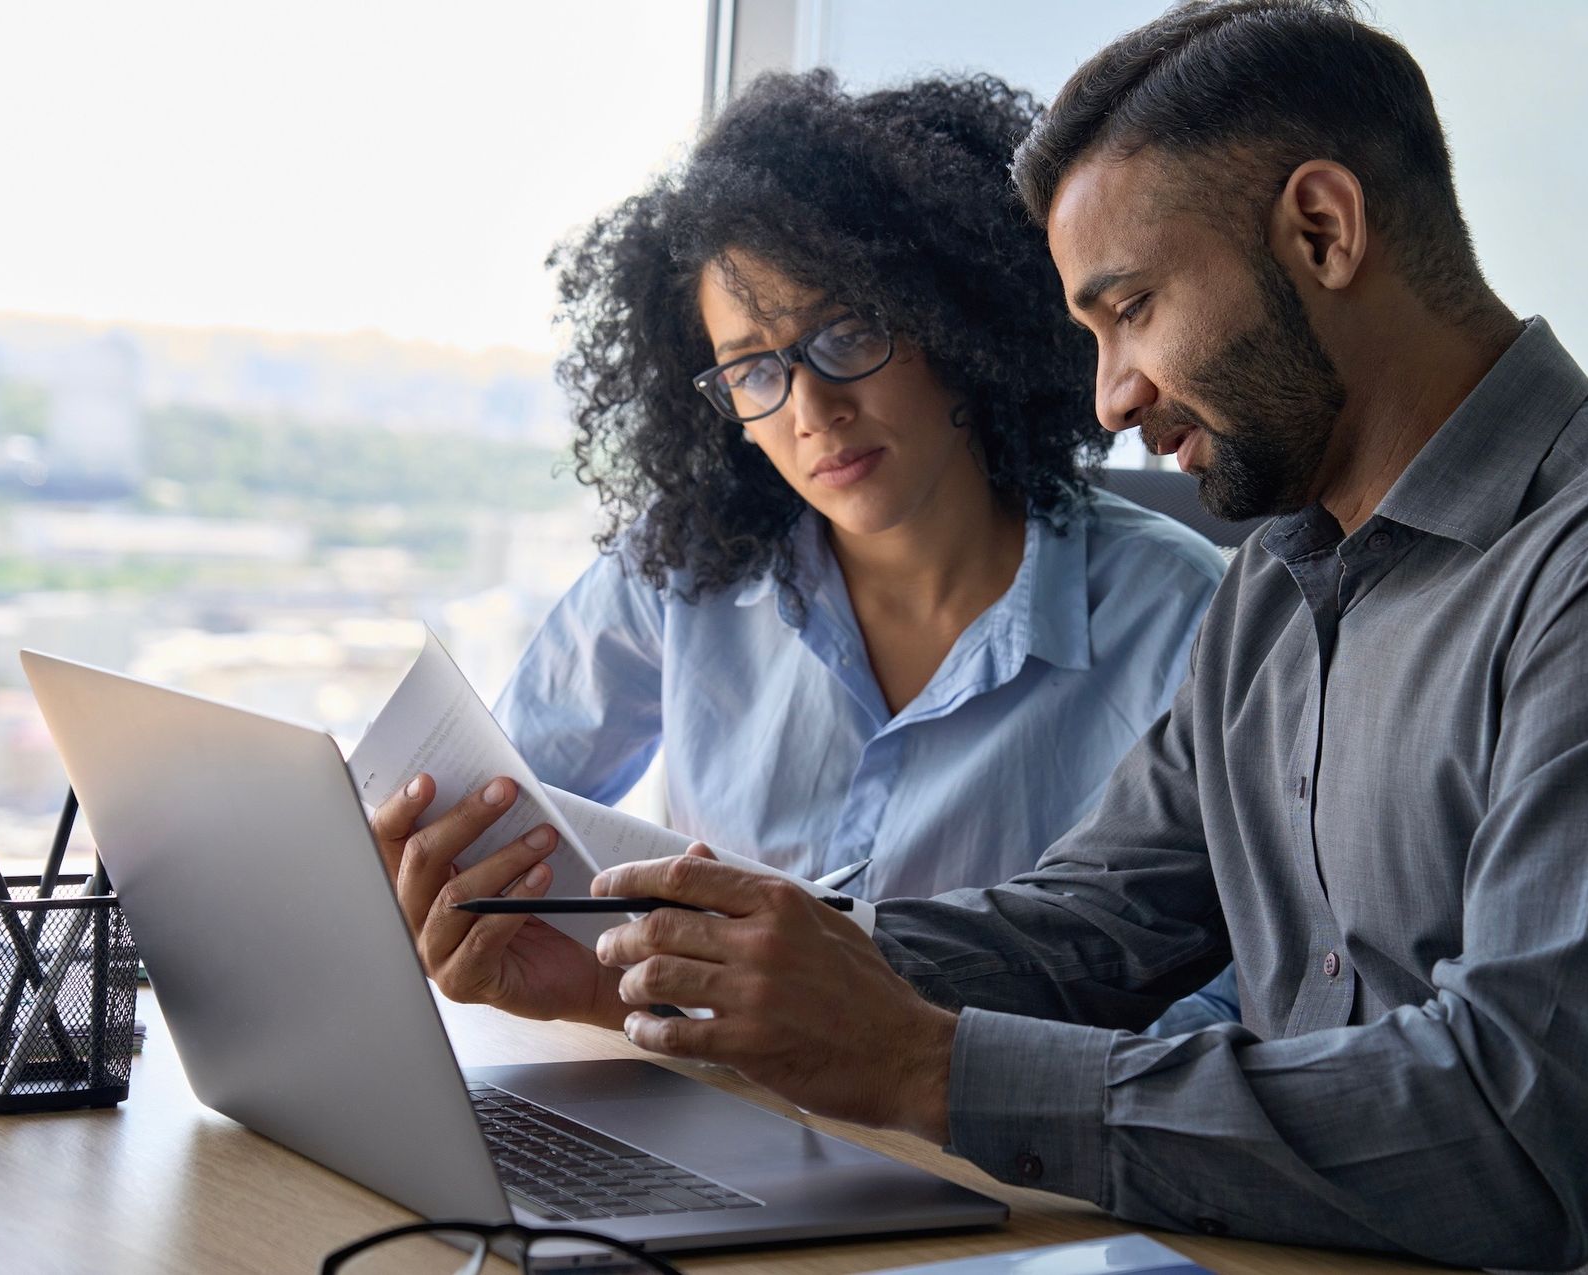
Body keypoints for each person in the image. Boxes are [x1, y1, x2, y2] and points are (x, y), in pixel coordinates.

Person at [381, 2, 1588, 1268]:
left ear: (1324, 230)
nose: (1108, 396)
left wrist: (933, 1069)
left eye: (1132, 309)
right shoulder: (1281, 589)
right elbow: (1085, 926)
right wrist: (662, 976)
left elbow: (1511, 1131)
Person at [386, 71, 1234, 1024]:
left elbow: (1227, 1011)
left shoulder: (1186, 620)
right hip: (697, 1095)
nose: (813, 408)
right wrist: (439, 889)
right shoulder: (679, 573)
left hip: (991, 1151)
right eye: (753, 368)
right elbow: (506, 813)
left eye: (848, 333)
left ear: (957, 325)